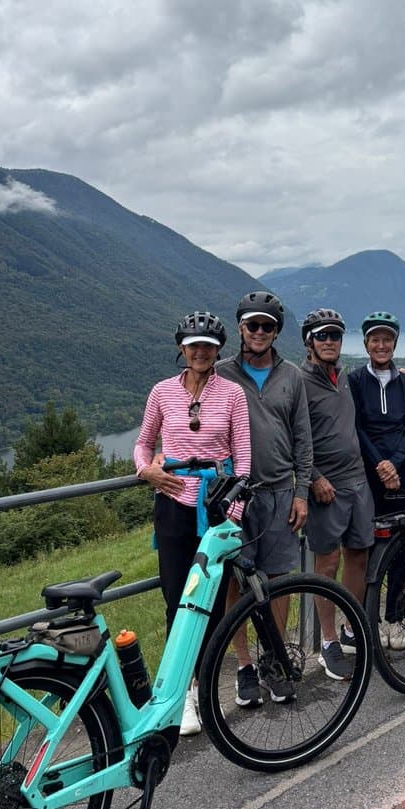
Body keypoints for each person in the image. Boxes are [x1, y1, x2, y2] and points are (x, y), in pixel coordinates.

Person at [134, 311, 251, 735]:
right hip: (173, 502)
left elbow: (243, 455)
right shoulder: (162, 392)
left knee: (213, 605)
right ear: (181, 348)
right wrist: (146, 470)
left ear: (218, 350)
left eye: (208, 345)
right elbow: (144, 443)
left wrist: (234, 511)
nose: (201, 351)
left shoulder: (233, 395)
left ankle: (204, 688)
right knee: (176, 601)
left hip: (217, 505)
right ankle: (179, 695)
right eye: (193, 344)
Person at [215, 291, 312, 707]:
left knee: (278, 581)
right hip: (233, 498)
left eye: (267, 326)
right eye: (252, 325)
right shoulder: (219, 373)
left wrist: (302, 491)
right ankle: (243, 666)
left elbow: (303, 439)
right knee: (234, 586)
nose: (259, 332)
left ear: (276, 331)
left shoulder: (291, 375)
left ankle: (273, 659)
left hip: (277, 493)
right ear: (239, 327)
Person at [300, 308, 374, 681]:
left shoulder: (343, 377)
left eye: (335, 336)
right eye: (322, 335)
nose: (329, 341)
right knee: (326, 565)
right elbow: (293, 438)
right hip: (325, 488)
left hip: (358, 481)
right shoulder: (300, 382)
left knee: (358, 554)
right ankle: (328, 643)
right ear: (309, 341)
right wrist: (313, 477)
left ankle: (350, 627)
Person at [348, 312, 405, 651]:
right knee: (370, 544)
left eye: (386, 339)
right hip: (371, 471)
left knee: (401, 546)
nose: (380, 345)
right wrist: (380, 464)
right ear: (365, 344)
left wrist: (396, 463)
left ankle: (394, 616)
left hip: (401, 470)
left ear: (394, 343)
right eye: (374, 339)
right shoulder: (356, 380)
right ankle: (370, 617)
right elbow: (357, 426)